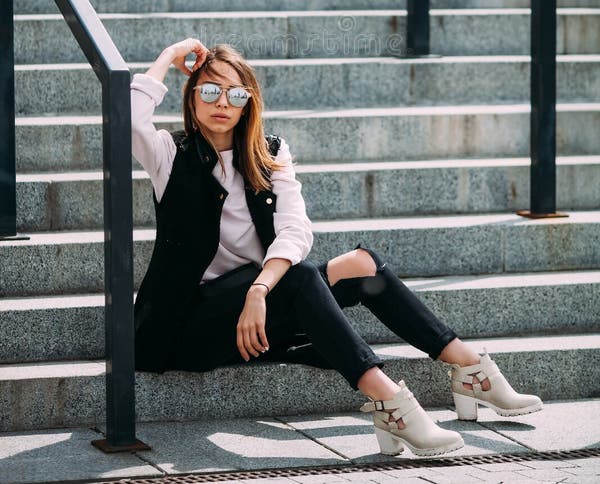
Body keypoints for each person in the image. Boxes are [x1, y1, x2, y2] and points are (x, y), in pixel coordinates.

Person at [131, 38, 543, 458]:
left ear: (248, 103)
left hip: (259, 307)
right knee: (303, 274)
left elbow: (295, 231)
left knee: (364, 267)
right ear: (192, 96)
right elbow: (129, 119)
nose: (222, 102)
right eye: (209, 91)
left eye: (235, 93)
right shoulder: (170, 154)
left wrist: (259, 290)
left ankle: (470, 369)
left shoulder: (268, 153)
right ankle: (389, 402)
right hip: (185, 328)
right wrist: (168, 55)